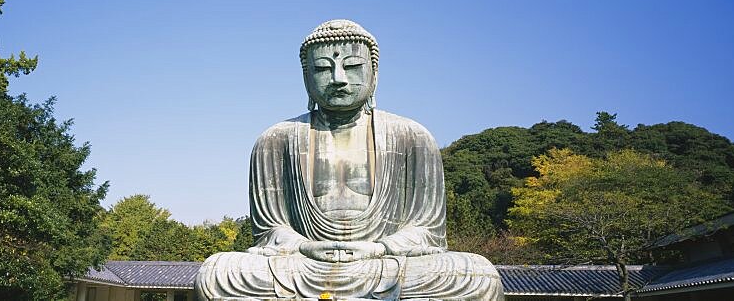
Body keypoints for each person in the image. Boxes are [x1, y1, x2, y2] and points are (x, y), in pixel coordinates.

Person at [195, 20, 504, 300]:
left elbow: (427, 230)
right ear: (306, 77)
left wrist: (379, 248)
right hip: (304, 266)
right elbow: (270, 230)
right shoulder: (275, 140)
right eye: (323, 69)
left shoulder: (412, 136)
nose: (338, 79)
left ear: (375, 73)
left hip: (385, 266)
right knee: (217, 272)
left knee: (477, 276)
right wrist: (305, 246)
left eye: (353, 66)